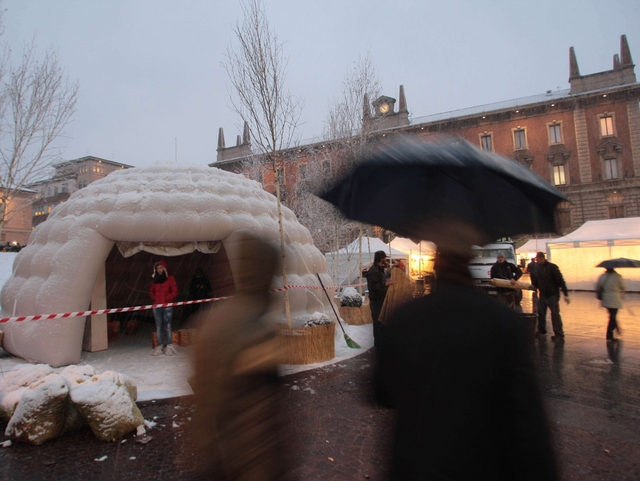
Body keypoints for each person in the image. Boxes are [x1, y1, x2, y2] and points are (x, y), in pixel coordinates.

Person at [375, 225, 558, 480]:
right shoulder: (503, 322)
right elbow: (529, 421)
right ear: (470, 261)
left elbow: (383, 392)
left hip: (418, 462)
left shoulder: (407, 318)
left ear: (436, 263)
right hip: (483, 463)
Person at [191, 233, 289, 479]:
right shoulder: (254, 330)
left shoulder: (213, 320)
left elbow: (203, 390)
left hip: (217, 454)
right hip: (246, 462)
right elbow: (259, 416)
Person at [531, 252, 569, 341]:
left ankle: (559, 334)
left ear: (542, 258)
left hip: (553, 295)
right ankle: (541, 330)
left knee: (555, 314)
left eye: (537, 259)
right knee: (541, 313)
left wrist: (566, 294)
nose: (536, 260)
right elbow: (536, 280)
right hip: (543, 294)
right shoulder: (537, 268)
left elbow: (560, 280)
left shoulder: (552, 267)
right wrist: (535, 287)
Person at [149, 260, 179, 356]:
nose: (159, 270)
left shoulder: (170, 279)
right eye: (157, 268)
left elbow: (175, 291)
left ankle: (169, 346)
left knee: (168, 326)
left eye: (161, 268)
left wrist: (166, 299)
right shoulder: (154, 280)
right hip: (157, 306)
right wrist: (155, 298)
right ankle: (159, 346)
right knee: (158, 326)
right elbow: (151, 291)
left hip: (167, 306)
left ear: (165, 268)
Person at [366, 250, 394, 347]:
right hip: (376, 302)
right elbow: (374, 287)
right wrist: (386, 283)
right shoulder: (374, 271)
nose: (386, 259)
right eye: (384, 258)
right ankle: (378, 346)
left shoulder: (380, 269)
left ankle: (382, 344)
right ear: (381, 258)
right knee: (378, 323)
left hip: (381, 301)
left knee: (382, 324)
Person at [596, 268, 626, 342]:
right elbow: (623, 287)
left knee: (612, 316)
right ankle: (610, 334)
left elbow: (597, 286)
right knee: (613, 316)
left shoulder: (602, 276)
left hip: (606, 298)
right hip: (615, 299)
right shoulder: (618, 276)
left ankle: (615, 330)